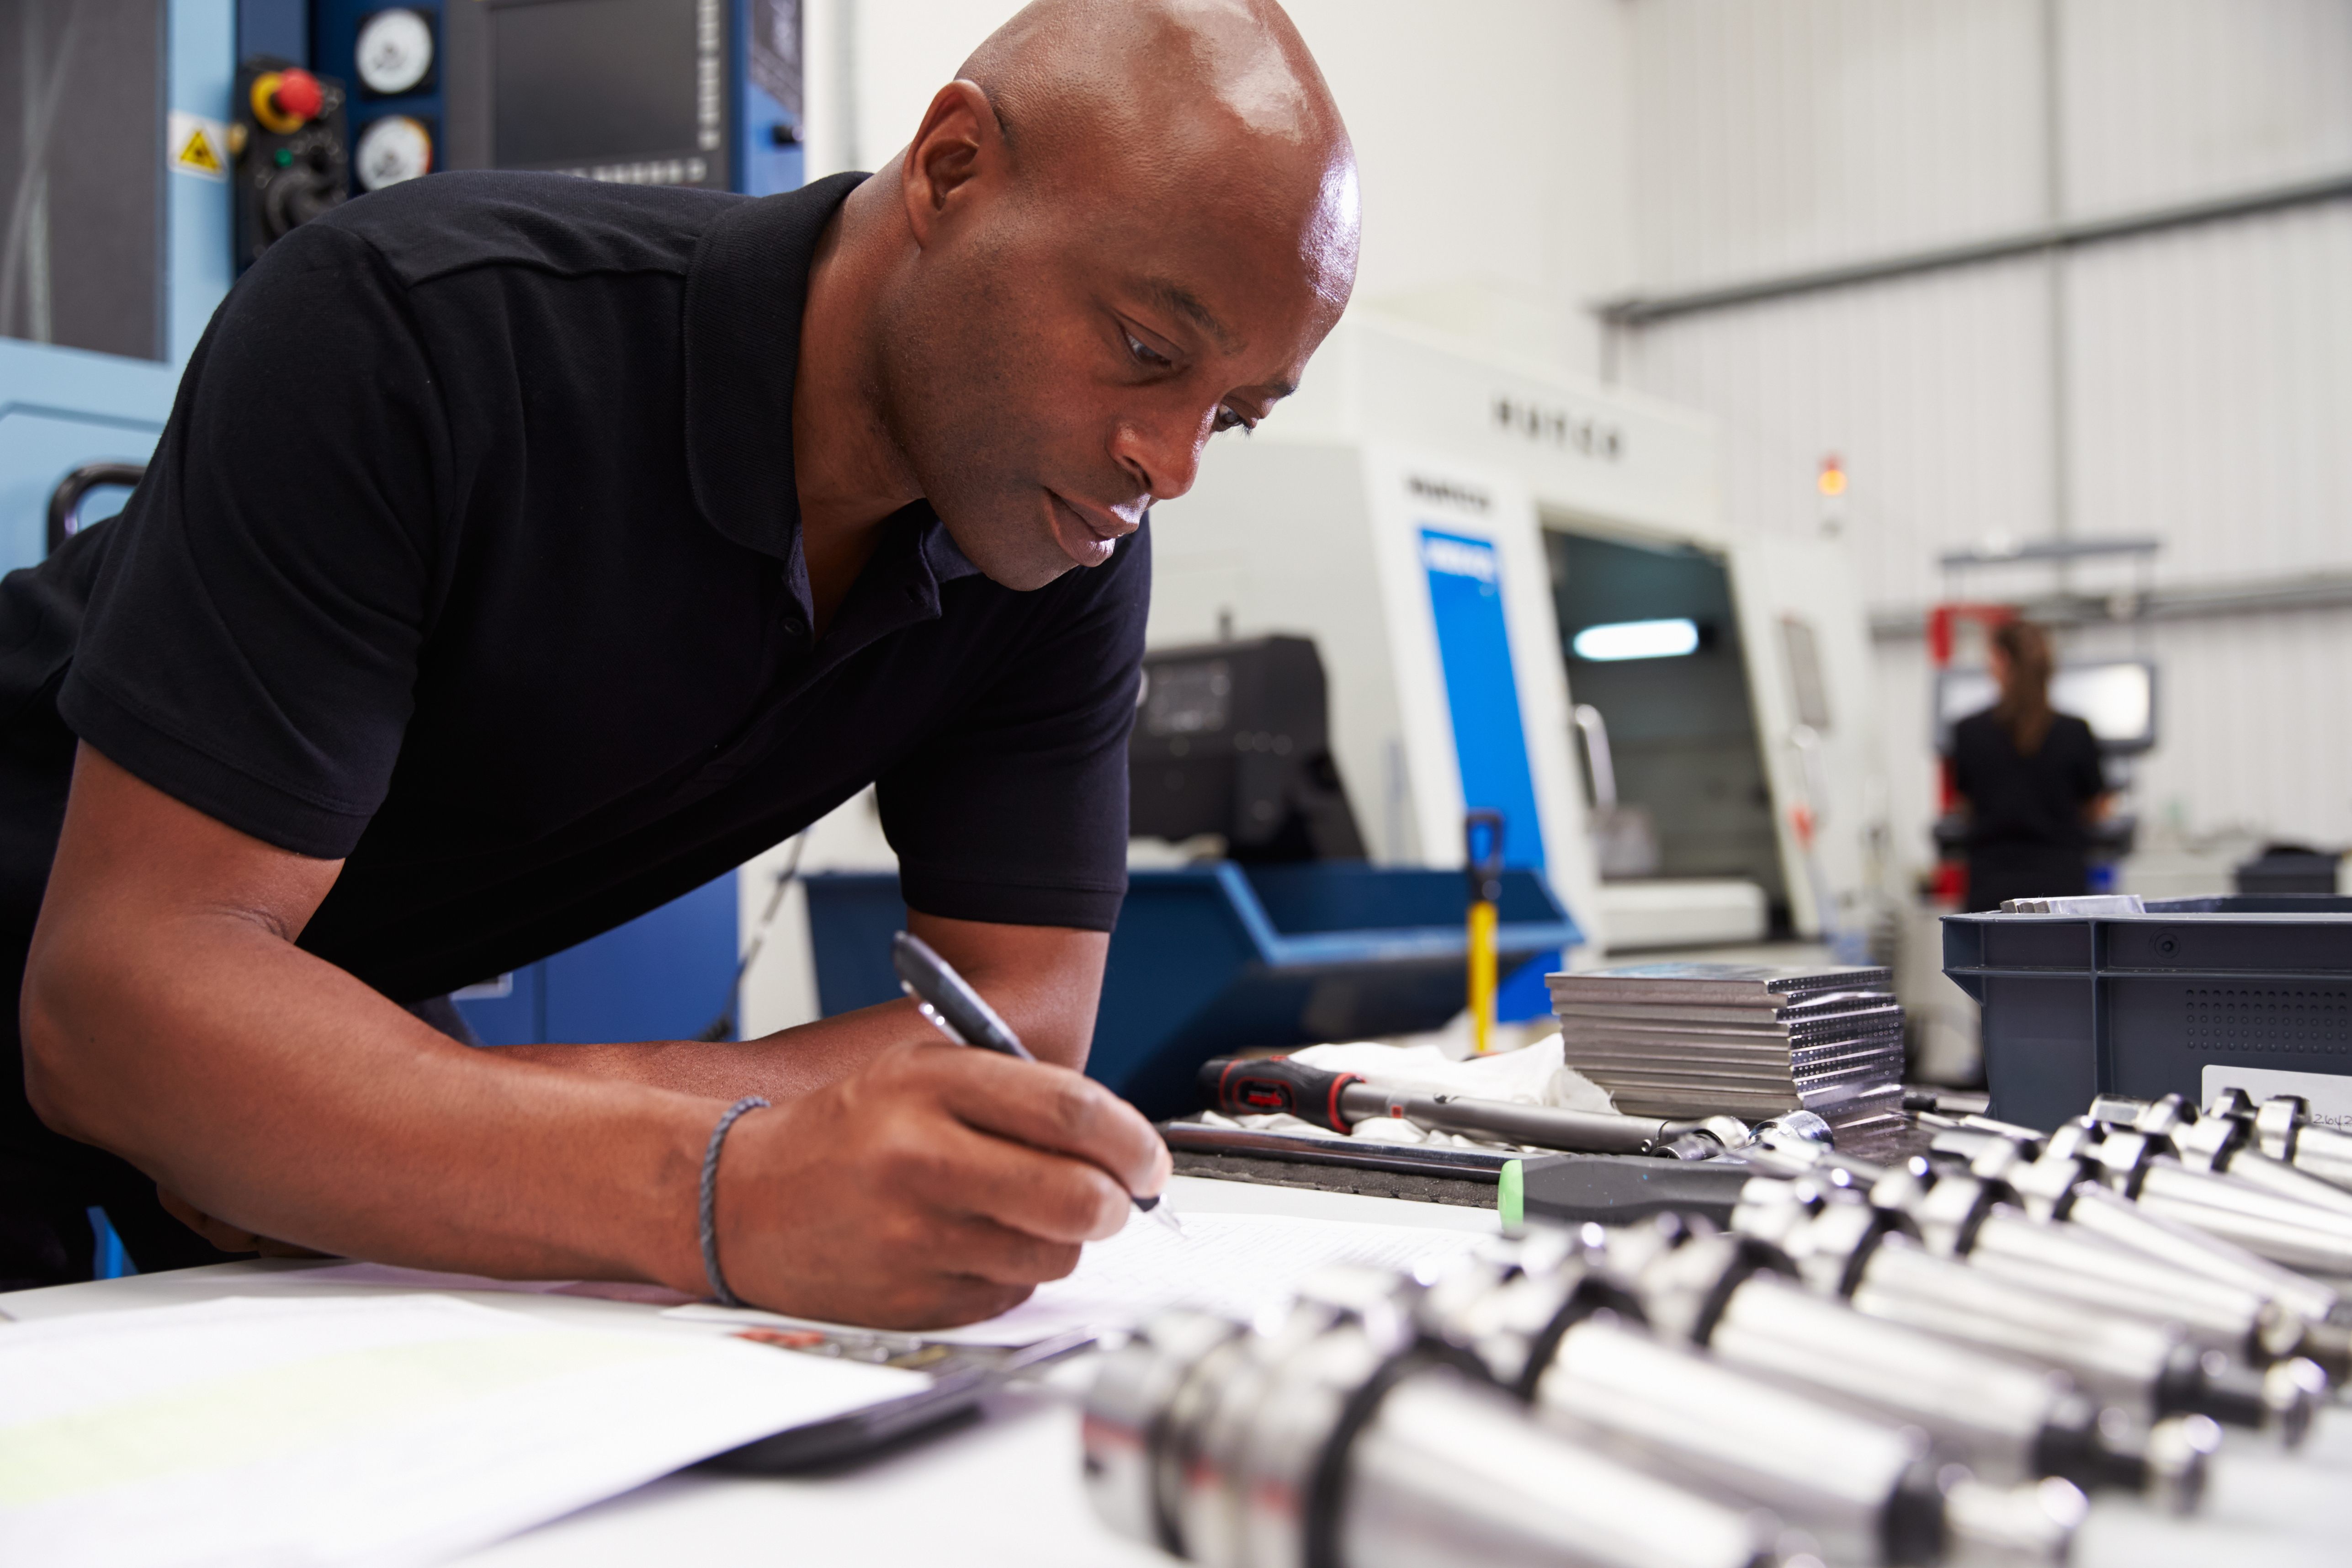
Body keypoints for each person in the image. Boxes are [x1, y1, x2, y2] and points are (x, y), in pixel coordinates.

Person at [0, 0, 1359, 1327]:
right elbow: (119, 999)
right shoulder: (421, 328)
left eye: (1226, 417)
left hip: (298, 1011)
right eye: (1142, 348)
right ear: (952, 169)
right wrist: (713, 1182)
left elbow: (1014, 1023)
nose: (1167, 465)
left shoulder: (1055, 545)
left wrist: (432, 1119)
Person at [1949, 621, 2110, 913]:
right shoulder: (2075, 732)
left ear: (2001, 662)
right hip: (2062, 896)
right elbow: (2096, 810)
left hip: (1991, 893)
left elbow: (1966, 806)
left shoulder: (1968, 733)